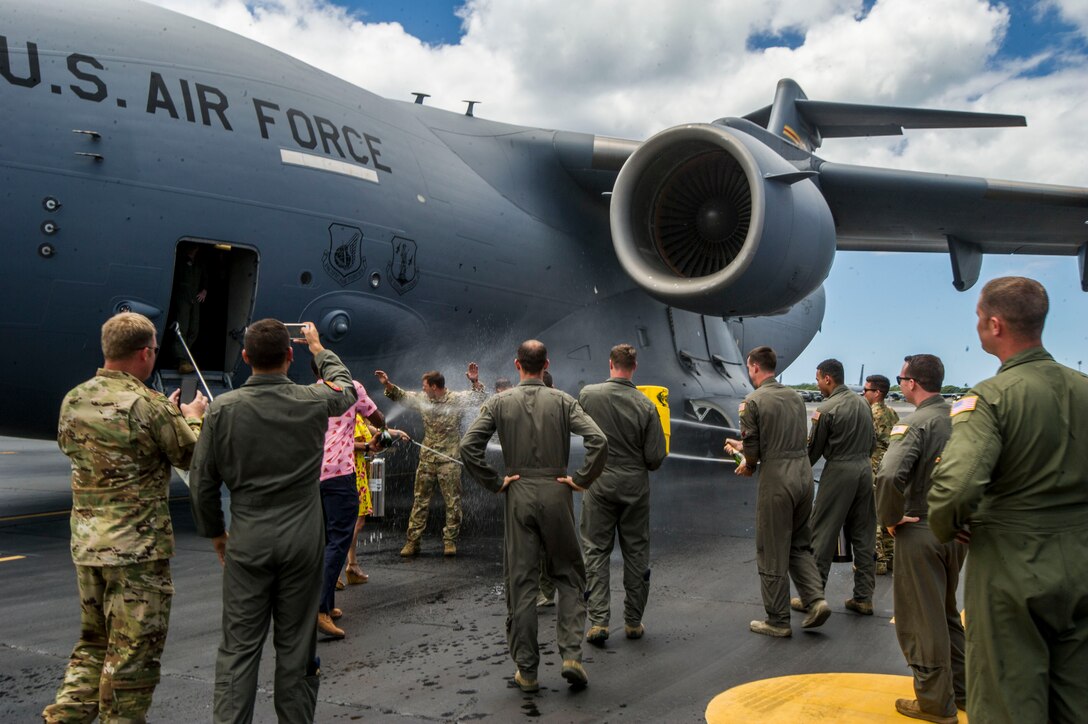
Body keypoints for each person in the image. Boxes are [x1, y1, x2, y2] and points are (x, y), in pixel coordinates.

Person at [929, 276, 1088, 724]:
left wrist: (948, 526)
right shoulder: (1084, 388)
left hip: (1013, 567)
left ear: (995, 325)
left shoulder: (991, 398)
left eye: (979, 318)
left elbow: (956, 488)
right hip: (1081, 559)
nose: (978, 325)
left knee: (1006, 700)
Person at [189, 320, 357, 724]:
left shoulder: (222, 409)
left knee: (238, 651)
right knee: (297, 649)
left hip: (248, 542)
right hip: (302, 544)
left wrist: (217, 534)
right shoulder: (314, 399)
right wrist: (320, 348)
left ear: (245, 358)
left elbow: (202, 484)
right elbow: (345, 387)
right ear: (290, 355)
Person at [44, 312, 208, 723]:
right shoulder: (148, 405)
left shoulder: (74, 398)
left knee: (92, 645)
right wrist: (191, 416)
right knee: (134, 658)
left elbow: (76, 448)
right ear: (144, 354)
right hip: (137, 553)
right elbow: (194, 456)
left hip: (87, 547)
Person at [460, 340, 607, 693]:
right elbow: (598, 440)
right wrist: (581, 480)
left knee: (521, 582)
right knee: (569, 574)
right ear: (546, 365)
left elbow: (468, 446)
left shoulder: (499, 402)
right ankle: (571, 655)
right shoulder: (563, 401)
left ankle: (527, 670)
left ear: (516, 365)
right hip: (557, 490)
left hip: (518, 491)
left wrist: (495, 482)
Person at [875, 355, 966, 724]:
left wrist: (891, 518)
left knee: (920, 620)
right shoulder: (960, 421)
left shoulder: (917, 424)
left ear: (912, 382)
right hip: (956, 532)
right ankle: (962, 692)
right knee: (945, 616)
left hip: (921, 529)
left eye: (902, 378)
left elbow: (888, 474)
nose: (900, 384)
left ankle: (934, 704)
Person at [724, 346, 830, 637]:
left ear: (755, 367)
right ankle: (816, 600)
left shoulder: (752, 401)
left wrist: (745, 463)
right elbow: (781, 438)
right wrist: (741, 445)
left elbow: (755, 455)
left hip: (777, 479)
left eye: (748, 367)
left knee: (771, 548)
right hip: (803, 475)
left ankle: (778, 620)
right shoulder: (795, 397)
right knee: (799, 544)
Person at [578, 344, 668, 644]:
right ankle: (632, 622)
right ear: (635, 366)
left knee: (595, 551)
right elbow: (655, 458)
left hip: (599, 483)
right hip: (634, 487)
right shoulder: (646, 405)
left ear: (610, 363)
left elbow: (581, 434)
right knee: (636, 552)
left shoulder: (589, 395)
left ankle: (599, 622)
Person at [375, 363, 485, 557]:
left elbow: (478, 398)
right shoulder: (423, 399)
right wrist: (388, 384)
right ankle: (413, 542)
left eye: (425, 385)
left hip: (449, 458)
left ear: (435, 386)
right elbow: (403, 396)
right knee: (420, 501)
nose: (423, 388)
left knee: (452, 502)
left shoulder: (456, 399)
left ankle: (450, 541)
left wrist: (475, 381)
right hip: (427, 458)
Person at [310, 360, 386, 639]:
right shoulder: (351, 389)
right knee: (339, 541)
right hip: (340, 473)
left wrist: (365, 444)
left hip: (313, 474)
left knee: (323, 540)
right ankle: (318, 609)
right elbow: (378, 419)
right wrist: (381, 432)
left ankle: (327, 603)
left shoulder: (310, 393)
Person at [806, 358, 877, 615]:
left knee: (822, 534)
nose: (817, 384)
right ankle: (863, 597)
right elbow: (873, 442)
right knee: (864, 534)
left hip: (839, 471)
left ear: (827, 378)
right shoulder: (863, 404)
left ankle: (812, 598)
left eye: (817, 379)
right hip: (864, 470)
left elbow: (812, 452)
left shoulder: (826, 408)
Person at [340, 418, 408, 590]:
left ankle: (352, 565)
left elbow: (371, 429)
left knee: (358, 520)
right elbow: (346, 443)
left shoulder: (357, 417)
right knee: (348, 523)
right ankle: (333, 570)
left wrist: (397, 433)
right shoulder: (345, 416)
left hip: (359, 471)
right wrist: (367, 447)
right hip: (349, 471)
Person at [864, 374, 900, 575]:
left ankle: (877, 561)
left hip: (874, 468)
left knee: (873, 516)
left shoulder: (870, 414)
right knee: (887, 513)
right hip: (891, 469)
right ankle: (891, 558)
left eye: (867, 390)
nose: (864, 393)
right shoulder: (893, 413)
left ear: (877, 393)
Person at [172, 244, 208, 374]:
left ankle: (186, 357)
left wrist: (204, 289)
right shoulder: (181, 262)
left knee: (194, 329)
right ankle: (181, 360)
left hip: (194, 299)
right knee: (182, 329)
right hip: (183, 298)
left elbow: (205, 277)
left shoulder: (199, 263)